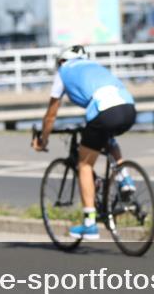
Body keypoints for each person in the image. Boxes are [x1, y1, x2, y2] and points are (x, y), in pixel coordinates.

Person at [32, 45, 137, 240]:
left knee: (84, 164)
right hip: (128, 108)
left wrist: (43, 139)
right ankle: (125, 179)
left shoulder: (64, 71)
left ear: (61, 61)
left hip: (103, 111)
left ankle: (90, 223)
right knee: (107, 138)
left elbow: (51, 114)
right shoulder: (94, 66)